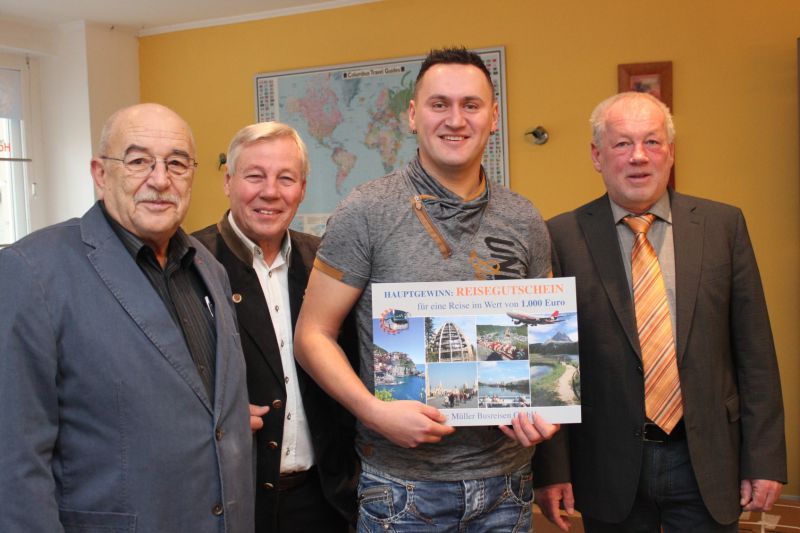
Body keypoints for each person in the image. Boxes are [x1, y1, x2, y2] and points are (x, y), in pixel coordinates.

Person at [294, 47, 559, 532]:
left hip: (507, 485)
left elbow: (540, 335)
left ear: (493, 117)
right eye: (440, 104)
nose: (455, 119)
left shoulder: (524, 219)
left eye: (471, 105)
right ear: (413, 115)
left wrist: (542, 409)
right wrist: (373, 411)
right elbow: (312, 336)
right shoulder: (365, 211)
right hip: (401, 489)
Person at [532, 91, 787, 532]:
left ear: (670, 152)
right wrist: (552, 470)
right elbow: (550, 360)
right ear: (597, 156)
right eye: (622, 143)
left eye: (652, 142)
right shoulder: (561, 236)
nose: (638, 156)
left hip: (707, 457)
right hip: (607, 464)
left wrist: (763, 458)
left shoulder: (723, 227)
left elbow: (755, 352)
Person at [0, 103, 254, 531]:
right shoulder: (33, 272)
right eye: (138, 161)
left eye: (177, 163)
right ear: (100, 174)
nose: (160, 180)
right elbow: (14, 463)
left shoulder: (208, 268)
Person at [193, 121, 359, 532]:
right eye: (255, 176)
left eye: (286, 178)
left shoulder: (327, 264)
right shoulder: (190, 264)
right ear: (228, 182)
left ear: (302, 189)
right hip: (231, 503)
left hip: (325, 502)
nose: (270, 192)